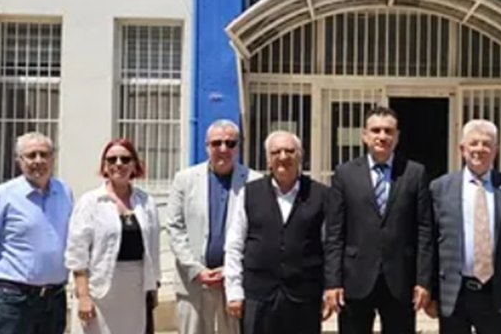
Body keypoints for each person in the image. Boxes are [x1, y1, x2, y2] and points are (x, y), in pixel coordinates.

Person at [324, 106, 433, 334]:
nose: (382, 136)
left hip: (400, 279)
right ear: (364, 135)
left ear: (397, 136)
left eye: (388, 131)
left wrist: (423, 281)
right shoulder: (345, 174)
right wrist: (333, 282)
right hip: (355, 278)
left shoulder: (415, 173)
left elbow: (424, 231)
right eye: (376, 130)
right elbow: (335, 233)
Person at [427, 119, 501, 334]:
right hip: (454, 292)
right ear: (462, 148)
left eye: (486, 144)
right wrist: (431, 292)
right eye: (473, 143)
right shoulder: (440, 187)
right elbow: (431, 244)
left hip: (496, 292)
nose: (479, 149)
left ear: (496, 150)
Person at [224, 130, 332, 334]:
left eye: (290, 151)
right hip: (258, 297)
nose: (283, 157)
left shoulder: (322, 195)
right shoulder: (249, 193)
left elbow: (330, 247)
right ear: (268, 160)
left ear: (300, 156)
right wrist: (234, 291)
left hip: (304, 297)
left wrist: (328, 290)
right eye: (276, 152)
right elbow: (234, 244)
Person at [0, 132, 74, 334]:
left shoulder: (64, 192)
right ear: (19, 161)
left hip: (54, 298)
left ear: (53, 157)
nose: (38, 160)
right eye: (31, 155)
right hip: (14, 299)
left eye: (44, 154)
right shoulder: (2, 195)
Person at [165, 120, 262, 334]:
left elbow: (259, 234)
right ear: (207, 146)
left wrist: (229, 270)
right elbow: (174, 228)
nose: (223, 149)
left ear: (238, 146)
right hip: (193, 284)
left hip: (236, 285)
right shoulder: (184, 180)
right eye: (217, 143)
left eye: (230, 143)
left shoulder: (255, 182)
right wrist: (196, 269)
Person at [67, 138, 163, 334]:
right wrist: (83, 296)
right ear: (104, 165)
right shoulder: (90, 202)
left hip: (135, 290)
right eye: (112, 159)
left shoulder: (146, 202)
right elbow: (77, 253)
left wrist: (154, 286)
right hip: (99, 289)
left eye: (125, 159)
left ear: (134, 165)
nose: (118, 164)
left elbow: (153, 247)